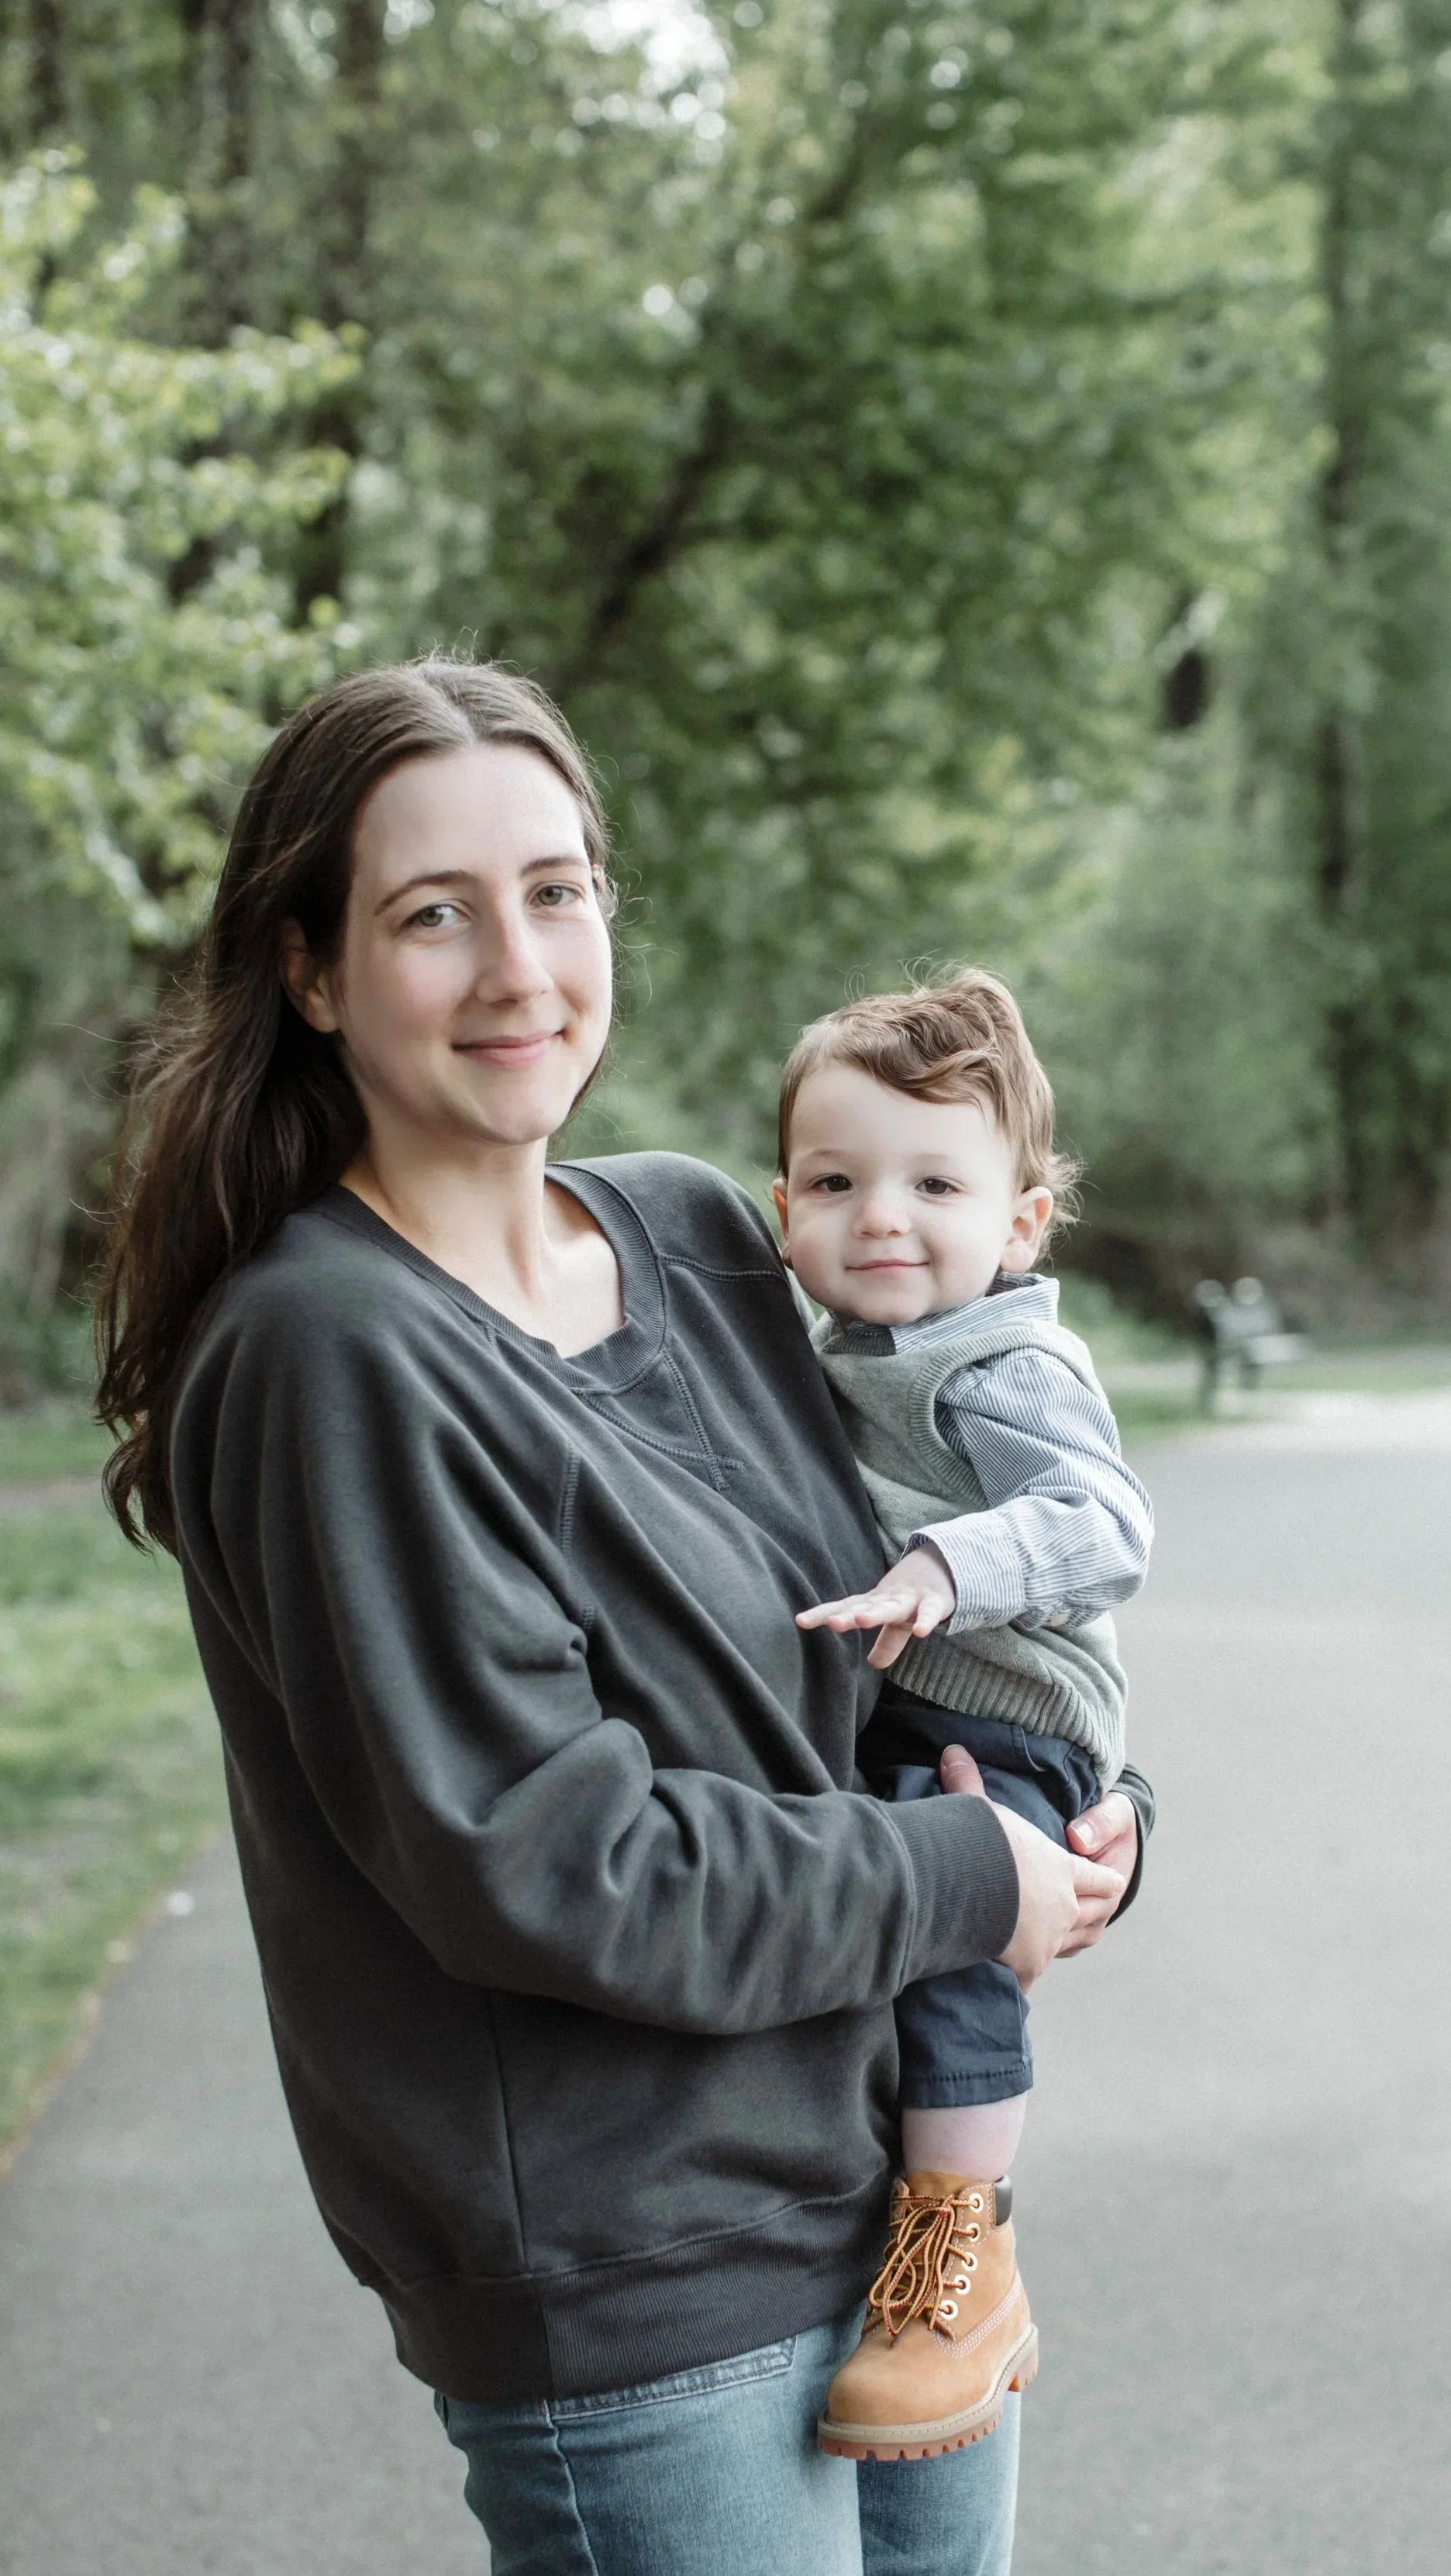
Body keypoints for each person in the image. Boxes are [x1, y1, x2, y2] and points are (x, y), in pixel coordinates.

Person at [91, 658, 1155, 2576]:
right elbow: (554, 1860)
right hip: (638, 2283)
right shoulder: (333, 1351)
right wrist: (954, 1876)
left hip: (899, 2216)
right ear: (313, 967)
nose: (519, 968)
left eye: (558, 889)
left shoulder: (699, 1235)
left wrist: (1085, 1815)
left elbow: (890, 1634)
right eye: (435, 913)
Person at [774, 974, 1152, 2464]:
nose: (882, 1215)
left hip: (1009, 1708)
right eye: (837, 1180)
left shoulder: (997, 1361)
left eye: (935, 1182)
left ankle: (962, 2251)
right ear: (783, 1203)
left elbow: (1105, 1520)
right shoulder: (829, 1346)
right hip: (911, 1694)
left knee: (950, 1932)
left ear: (1019, 1223)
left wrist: (946, 1563)